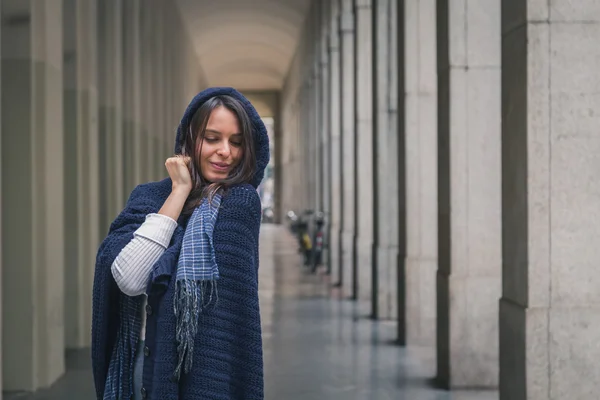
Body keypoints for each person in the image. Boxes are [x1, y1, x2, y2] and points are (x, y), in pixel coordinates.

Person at [92, 87, 270, 399]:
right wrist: (178, 192)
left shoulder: (240, 205)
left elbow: (231, 322)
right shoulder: (149, 197)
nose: (225, 151)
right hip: (145, 371)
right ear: (189, 139)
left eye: (236, 142)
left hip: (205, 376)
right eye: (212, 138)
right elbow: (130, 279)